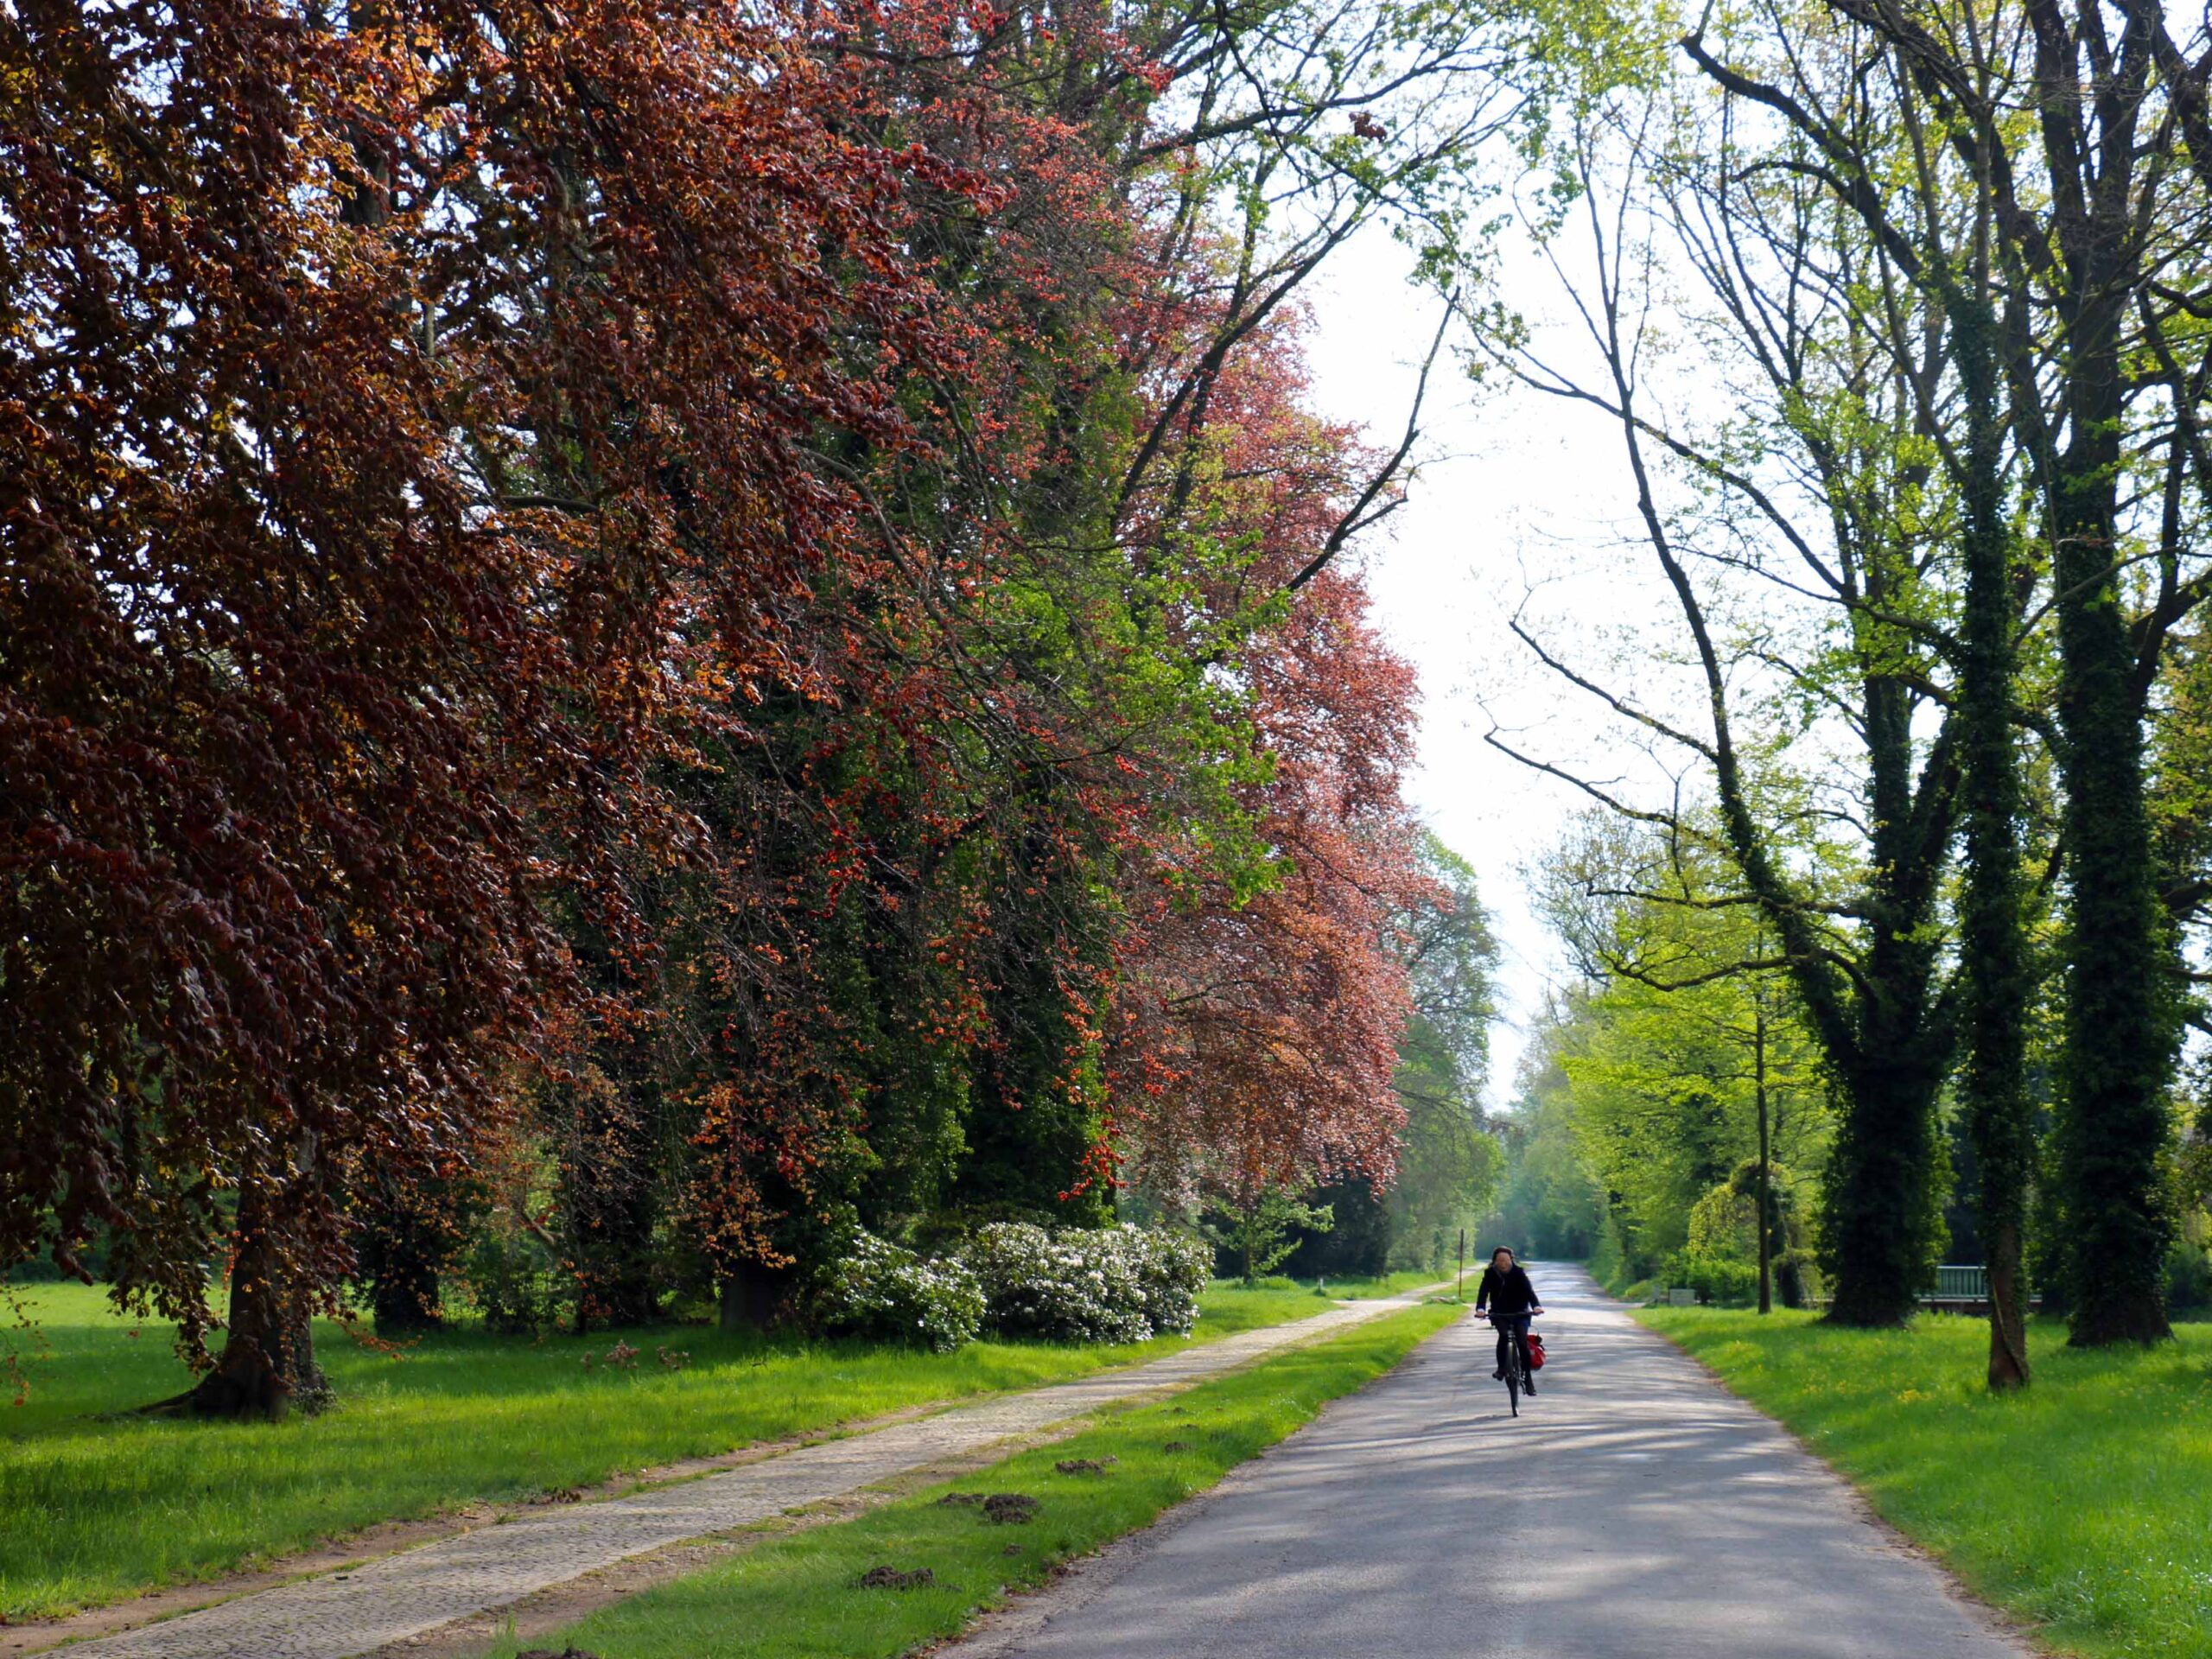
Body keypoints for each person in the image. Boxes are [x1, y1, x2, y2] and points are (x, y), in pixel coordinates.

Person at [1472, 1247, 1543, 1387]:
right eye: (1499, 1260)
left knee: (1522, 1342)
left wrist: (1536, 1306)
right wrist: (1480, 1309)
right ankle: (1501, 1369)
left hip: (1520, 1313)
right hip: (1500, 1313)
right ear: (1495, 1262)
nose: (1503, 1263)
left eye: (1505, 1260)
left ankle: (1527, 1377)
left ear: (1511, 1260)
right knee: (1504, 1336)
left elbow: (1529, 1292)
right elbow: (1483, 1292)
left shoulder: (1519, 1273)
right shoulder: (1490, 1274)